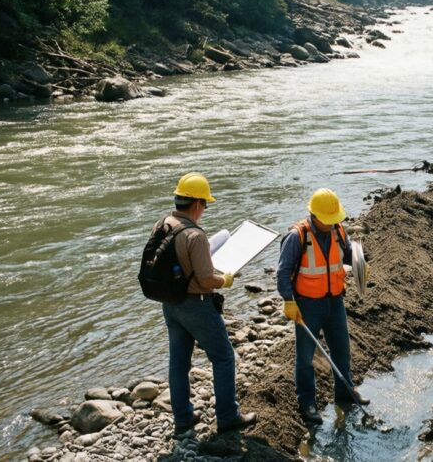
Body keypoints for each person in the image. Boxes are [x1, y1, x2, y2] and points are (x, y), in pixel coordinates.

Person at [155, 173, 255, 437]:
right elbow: (206, 279)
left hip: (170, 304)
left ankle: (183, 420)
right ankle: (228, 417)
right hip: (197, 305)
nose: (205, 210)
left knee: (178, 363)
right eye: (206, 204)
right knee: (223, 357)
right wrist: (226, 279)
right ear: (197, 204)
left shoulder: (163, 223)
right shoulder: (195, 235)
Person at [277, 188, 370, 425]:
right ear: (314, 216)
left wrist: (361, 264)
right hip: (307, 305)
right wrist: (288, 301)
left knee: (342, 350)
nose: (331, 224)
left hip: (335, 301)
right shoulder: (297, 237)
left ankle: (345, 392)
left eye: (334, 220)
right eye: (327, 220)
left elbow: (348, 255)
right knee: (305, 358)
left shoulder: (339, 230)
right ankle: (307, 402)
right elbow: (283, 272)